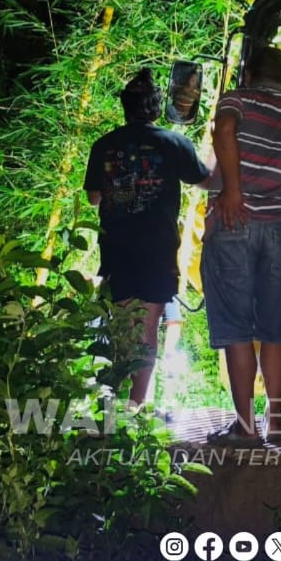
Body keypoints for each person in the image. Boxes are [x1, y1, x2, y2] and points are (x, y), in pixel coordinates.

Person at [200, 45, 281, 443]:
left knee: (235, 328)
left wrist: (232, 191)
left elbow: (225, 130)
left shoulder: (237, 99)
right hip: (279, 230)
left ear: (248, 75)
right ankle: (277, 422)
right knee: (274, 328)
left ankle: (246, 428)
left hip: (236, 222)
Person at [83, 69, 211, 409]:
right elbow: (204, 181)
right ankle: (136, 404)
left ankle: (112, 398)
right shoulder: (174, 143)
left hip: (117, 247)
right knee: (147, 327)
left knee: (121, 323)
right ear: (157, 108)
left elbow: (94, 197)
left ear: (126, 109)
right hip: (157, 248)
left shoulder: (104, 145)